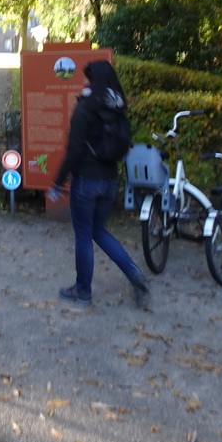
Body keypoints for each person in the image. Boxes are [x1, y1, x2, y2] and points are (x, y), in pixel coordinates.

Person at [48, 59, 150, 308]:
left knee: (84, 235)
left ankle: (83, 290)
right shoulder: (118, 108)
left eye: (88, 78)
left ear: (93, 81)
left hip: (86, 181)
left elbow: (73, 150)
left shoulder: (85, 108)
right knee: (98, 230)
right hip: (109, 180)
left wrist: (58, 182)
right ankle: (133, 272)